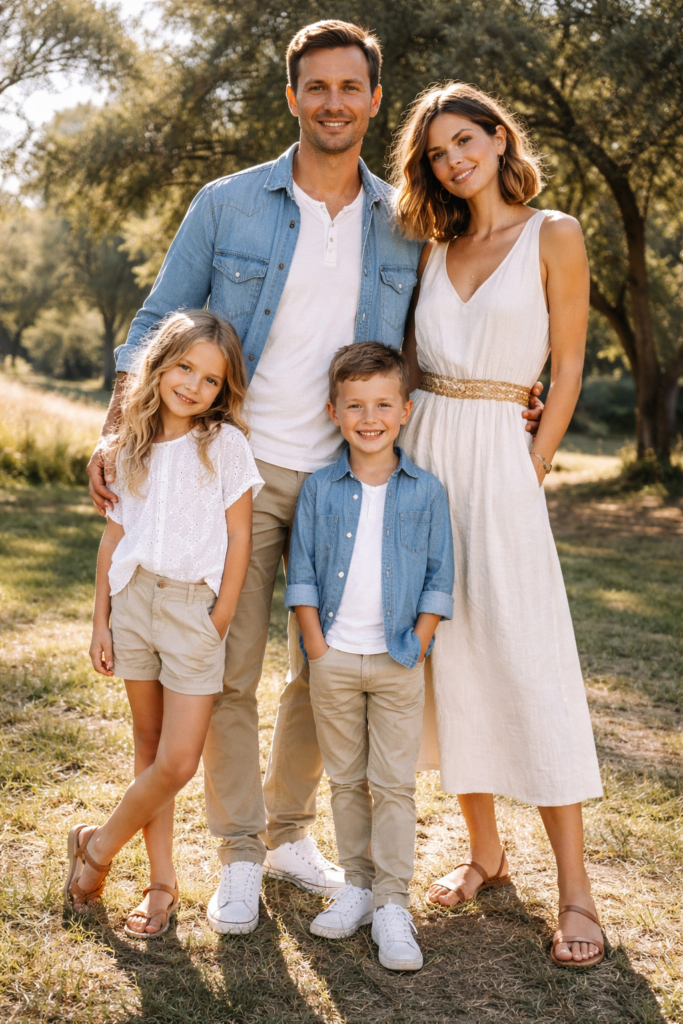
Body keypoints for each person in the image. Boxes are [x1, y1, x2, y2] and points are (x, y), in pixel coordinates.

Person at [86, 21, 542, 936]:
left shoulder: (406, 218)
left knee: (320, 671)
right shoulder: (228, 203)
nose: (333, 102)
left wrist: (507, 394)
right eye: (316, 87)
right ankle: (241, 854)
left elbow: (453, 323)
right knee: (224, 670)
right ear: (291, 96)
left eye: (351, 87)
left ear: (376, 100)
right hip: (238, 472)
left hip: (348, 479)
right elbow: (156, 317)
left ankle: (291, 836)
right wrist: (113, 426)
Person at [392, 83, 605, 967]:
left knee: (526, 652)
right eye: (437, 152)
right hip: (427, 451)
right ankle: (485, 851)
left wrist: (535, 460)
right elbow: (408, 356)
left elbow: (567, 358)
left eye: (463, 141)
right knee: (446, 656)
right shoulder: (432, 244)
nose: (453, 160)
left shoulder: (553, 232)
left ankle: (577, 893)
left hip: (502, 462)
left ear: (496, 136)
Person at [65, 310, 263, 936]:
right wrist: (101, 620)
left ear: (222, 390)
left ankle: (96, 848)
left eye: (210, 379)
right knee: (147, 749)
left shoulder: (224, 445)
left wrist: (221, 613)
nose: (194, 386)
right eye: (185, 367)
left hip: (193, 610)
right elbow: (113, 538)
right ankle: (161, 883)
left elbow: (240, 536)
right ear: (159, 365)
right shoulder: (133, 443)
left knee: (178, 761)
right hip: (134, 602)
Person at [286, 342, 454, 971]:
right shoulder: (320, 490)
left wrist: (421, 641)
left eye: (383, 403)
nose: (369, 416)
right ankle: (356, 885)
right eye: (355, 404)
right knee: (347, 780)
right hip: (333, 658)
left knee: (394, 784)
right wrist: (315, 645)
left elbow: (441, 576)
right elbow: (300, 569)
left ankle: (392, 903)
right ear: (334, 411)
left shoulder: (425, 492)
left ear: (405, 411)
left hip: (397, 661)